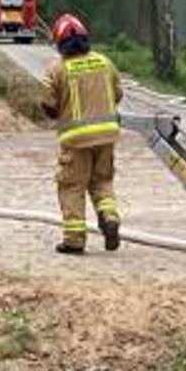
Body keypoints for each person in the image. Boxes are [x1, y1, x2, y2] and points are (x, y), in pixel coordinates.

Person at [41, 13, 123, 254]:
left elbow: (48, 104)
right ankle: (109, 217)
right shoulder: (104, 62)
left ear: (59, 43)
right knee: (102, 182)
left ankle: (74, 239)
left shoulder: (57, 70)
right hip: (107, 136)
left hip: (75, 140)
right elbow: (117, 94)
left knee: (71, 186)